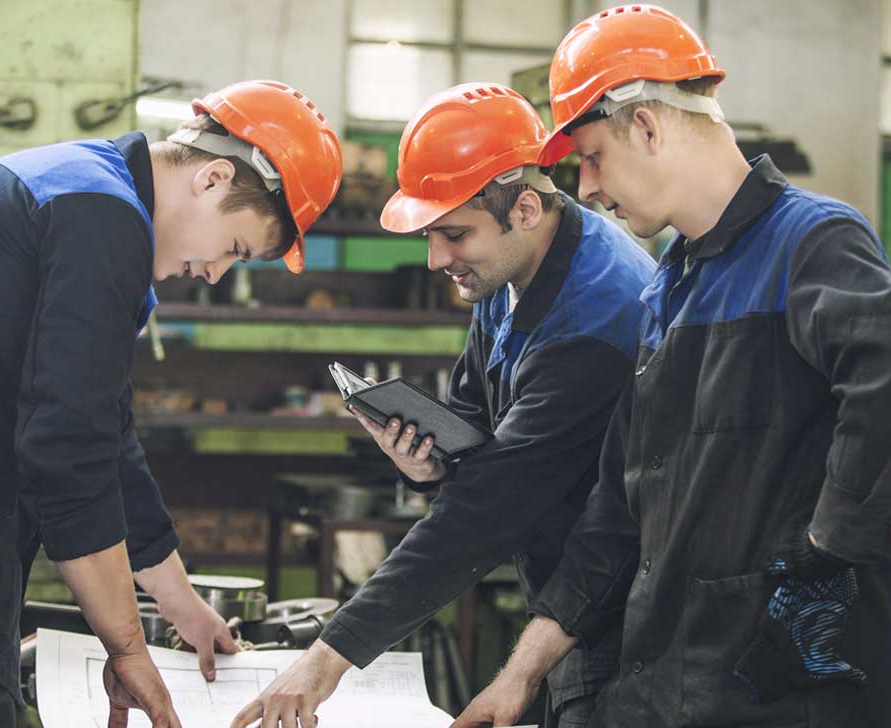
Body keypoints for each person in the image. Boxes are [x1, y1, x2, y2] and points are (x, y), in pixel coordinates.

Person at [452, 6, 891, 728]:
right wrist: (521, 676)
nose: (587, 188)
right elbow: (615, 518)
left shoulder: (810, 243)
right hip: (662, 693)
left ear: (649, 126)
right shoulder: (667, 290)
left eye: (591, 156)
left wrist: (819, 565)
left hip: (781, 698)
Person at [0, 80, 342, 728]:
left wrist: (182, 606)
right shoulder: (101, 216)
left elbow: (106, 435)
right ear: (213, 177)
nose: (214, 274)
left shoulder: (86, 189)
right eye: (234, 249)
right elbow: (67, 449)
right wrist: (126, 646)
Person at [231, 82, 655, 728]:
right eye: (431, 235)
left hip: (617, 624)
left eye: (452, 234)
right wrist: (429, 467)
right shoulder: (510, 267)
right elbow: (475, 430)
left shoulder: (595, 320)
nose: (436, 259)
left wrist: (325, 662)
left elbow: (482, 514)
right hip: (562, 601)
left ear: (524, 210)